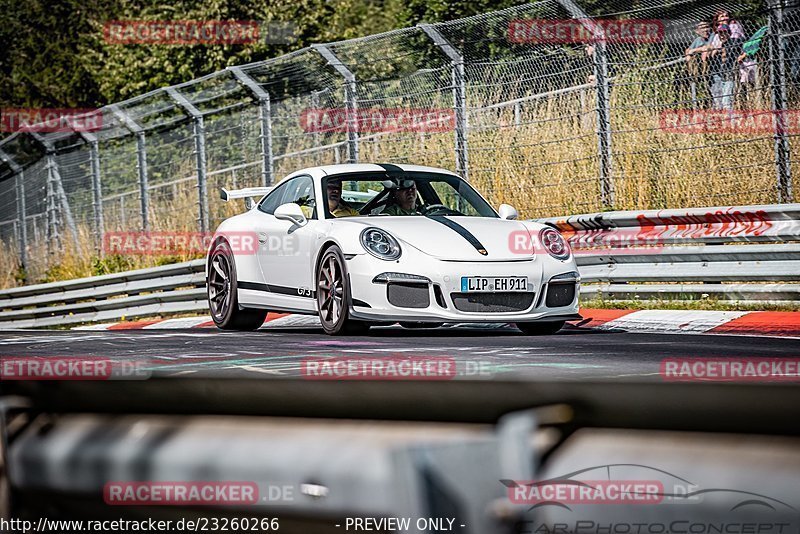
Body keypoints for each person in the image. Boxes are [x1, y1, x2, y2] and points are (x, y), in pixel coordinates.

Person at [709, 24, 743, 111]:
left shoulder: (735, 41)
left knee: (726, 102)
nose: (722, 35)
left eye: (725, 32)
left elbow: (745, 44)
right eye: (720, 33)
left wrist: (742, 55)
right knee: (718, 102)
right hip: (720, 75)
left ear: (729, 33)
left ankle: (730, 120)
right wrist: (717, 50)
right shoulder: (719, 46)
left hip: (730, 75)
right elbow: (710, 56)